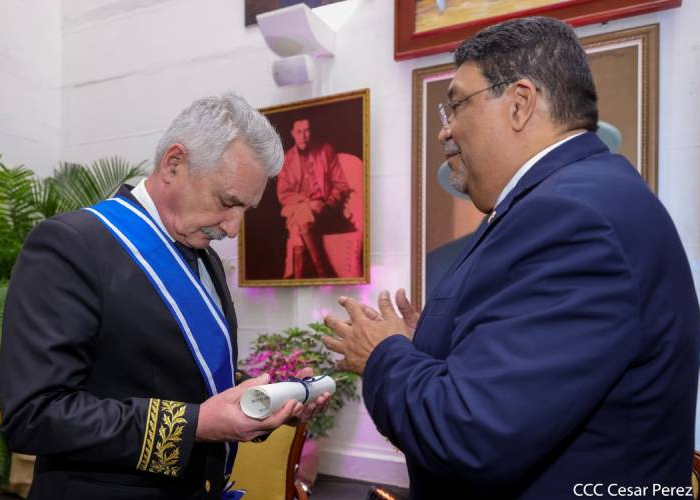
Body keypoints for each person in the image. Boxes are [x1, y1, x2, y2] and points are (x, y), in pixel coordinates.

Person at [323, 17, 699, 500]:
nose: (445, 132)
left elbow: (471, 432)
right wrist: (433, 345)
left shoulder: (572, 219)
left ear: (520, 103)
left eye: (455, 105)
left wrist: (382, 354)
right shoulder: (567, 200)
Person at [0, 93, 330, 500]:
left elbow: (182, 375)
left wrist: (264, 403)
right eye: (227, 202)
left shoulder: (202, 256)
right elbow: (34, 415)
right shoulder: (70, 245)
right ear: (174, 164)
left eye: (246, 209)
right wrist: (197, 425)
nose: (233, 229)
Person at [276, 118, 352, 279]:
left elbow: (341, 185)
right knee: (302, 218)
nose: (303, 136)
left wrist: (327, 204)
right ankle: (322, 271)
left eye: (306, 131)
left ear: (311, 132)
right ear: (292, 134)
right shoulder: (286, 159)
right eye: (299, 132)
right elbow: (283, 194)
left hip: (325, 211)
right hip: (299, 210)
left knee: (297, 226)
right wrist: (309, 204)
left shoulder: (325, 151)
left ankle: (296, 279)